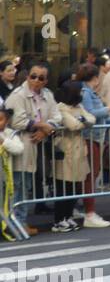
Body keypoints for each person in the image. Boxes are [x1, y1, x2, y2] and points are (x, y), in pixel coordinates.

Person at [4, 62, 62, 233]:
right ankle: (14, 223)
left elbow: (57, 117)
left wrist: (45, 130)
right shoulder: (18, 95)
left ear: (46, 80)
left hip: (35, 144)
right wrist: (43, 125)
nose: (36, 80)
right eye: (33, 76)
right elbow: (17, 121)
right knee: (17, 185)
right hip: (19, 144)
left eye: (41, 78)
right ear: (28, 76)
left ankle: (20, 221)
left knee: (27, 184)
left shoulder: (48, 95)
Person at [76, 63, 110, 228]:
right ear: (94, 77)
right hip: (90, 137)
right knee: (90, 176)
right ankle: (89, 213)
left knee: (92, 174)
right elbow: (90, 114)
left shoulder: (88, 91)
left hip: (96, 137)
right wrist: (109, 109)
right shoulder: (86, 92)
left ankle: (87, 211)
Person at [51, 79, 95, 233]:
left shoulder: (79, 106)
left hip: (79, 151)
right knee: (64, 187)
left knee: (75, 187)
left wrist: (83, 120)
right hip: (66, 151)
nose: (82, 93)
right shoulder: (61, 108)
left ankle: (68, 216)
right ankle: (59, 219)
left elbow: (92, 118)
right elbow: (73, 125)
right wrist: (83, 121)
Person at [0, 107, 24, 241]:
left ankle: (4, 228)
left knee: (4, 204)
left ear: (7, 121)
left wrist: (3, 141)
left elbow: (19, 148)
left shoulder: (11, 134)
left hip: (4, 178)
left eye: (1, 120)